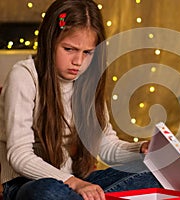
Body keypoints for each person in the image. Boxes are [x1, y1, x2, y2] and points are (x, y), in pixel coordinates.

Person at [0, 0, 161, 199]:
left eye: (87, 52)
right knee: (48, 192)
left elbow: (105, 146)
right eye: (69, 49)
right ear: (50, 42)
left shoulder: (88, 80)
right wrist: (74, 183)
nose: (78, 61)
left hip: (75, 181)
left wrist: (140, 150)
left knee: (155, 172)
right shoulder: (24, 76)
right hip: (26, 183)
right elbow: (19, 156)